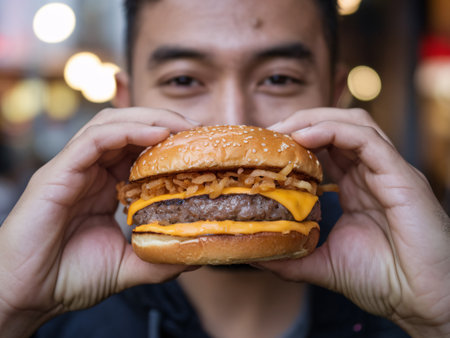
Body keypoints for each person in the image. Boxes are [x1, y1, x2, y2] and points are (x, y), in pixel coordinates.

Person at [0, 0, 449, 337]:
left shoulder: (406, 295)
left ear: (334, 97)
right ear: (125, 101)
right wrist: (10, 308)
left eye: (279, 78)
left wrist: (438, 315)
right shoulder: (50, 307)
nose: (232, 119)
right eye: (183, 79)